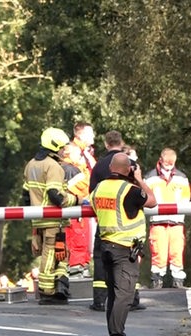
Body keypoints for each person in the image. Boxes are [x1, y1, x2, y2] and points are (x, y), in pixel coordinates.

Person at [90, 152, 157, 336]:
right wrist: (138, 179)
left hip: (105, 246)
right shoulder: (130, 190)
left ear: (111, 168)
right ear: (128, 169)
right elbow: (152, 201)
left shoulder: (99, 188)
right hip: (124, 250)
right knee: (124, 296)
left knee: (113, 295)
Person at [23, 128, 79, 305]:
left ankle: (60, 287)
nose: (65, 151)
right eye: (62, 148)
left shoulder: (31, 164)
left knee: (60, 254)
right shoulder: (53, 166)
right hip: (53, 219)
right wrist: (76, 200)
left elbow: (25, 195)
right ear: (54, 147)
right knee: (51, 255)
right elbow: (56, 195)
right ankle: (47, 291)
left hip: (38, 218)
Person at [87, 130, 125, 312]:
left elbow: (92, 195)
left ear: (106, 143)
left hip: (104, 222)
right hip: (127, 224)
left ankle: (100, 300)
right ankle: (130, 299)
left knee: (101, 260)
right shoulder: (130, 164)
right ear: (121, 143)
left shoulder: (99, 166)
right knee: (127, 261)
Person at [144, 148, 191, 288]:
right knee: (158, 249)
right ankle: (157, 279)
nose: (169, 167)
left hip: (176, 221)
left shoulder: (181, 178)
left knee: (177, 249)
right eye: (166, 164)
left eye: (171, 165)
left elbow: (186, 198)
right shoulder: (151, 177)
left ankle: (178, 279)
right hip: (157, 221)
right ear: (160, 160)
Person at [66, 122, 97, 279]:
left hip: (87, 203)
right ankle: (76, 269)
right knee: (77, 236)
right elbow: (77, 180)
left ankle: (82, 267)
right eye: (91, 133)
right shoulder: (73, 153)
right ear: (81, 134)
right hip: (79, 203)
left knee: (85, 239)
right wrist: (83, 197)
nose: (94, 136)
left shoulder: (86, 153)